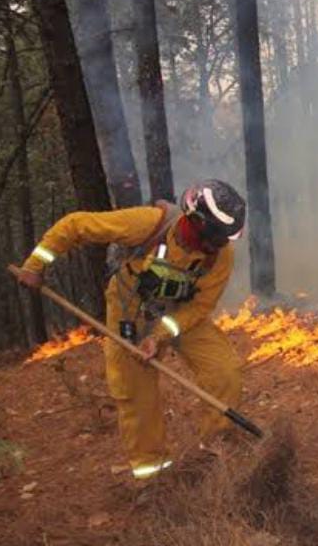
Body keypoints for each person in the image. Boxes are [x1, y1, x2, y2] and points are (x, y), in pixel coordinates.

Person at [15, 180, 247, 480]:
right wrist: (35, 265)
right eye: (216, 238)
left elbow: (200, 306)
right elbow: (75, 225)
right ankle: (153, 476)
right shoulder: (150, 224)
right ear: (196, 221)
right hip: (130, 311)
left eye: (225, 239)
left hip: (178, 314)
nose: (220, 245)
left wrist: (159, 336)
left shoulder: (221, 256)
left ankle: (216, 453)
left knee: (223, 371)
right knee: (137, 393)